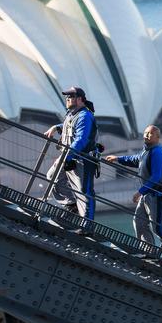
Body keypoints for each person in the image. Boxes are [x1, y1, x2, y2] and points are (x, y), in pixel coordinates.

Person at [105, 125, 162, 254]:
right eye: (145, 133)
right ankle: (150, 252)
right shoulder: (146, 151)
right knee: (139, 221)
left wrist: (140, 192)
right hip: (148, 195)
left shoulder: (157, 151)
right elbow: (135, 159)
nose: (146, 135)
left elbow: (156, 176)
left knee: (158, 228)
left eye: (150, 134)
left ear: (158, 137)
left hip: (157, 196)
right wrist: (117, 159)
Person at [44, 86, 98, 224]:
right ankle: (71, 204)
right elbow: (68, 125)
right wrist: (56, 127)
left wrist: (67, 156)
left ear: (80, 99)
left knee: (84, 191)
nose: (68, 99)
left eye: (71, 96)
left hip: (82, 160)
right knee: (52, 177)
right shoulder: (72, 114)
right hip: (68, 157)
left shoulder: (85, 116)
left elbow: (81, 139)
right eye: (67, 97)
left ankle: (87, 226)